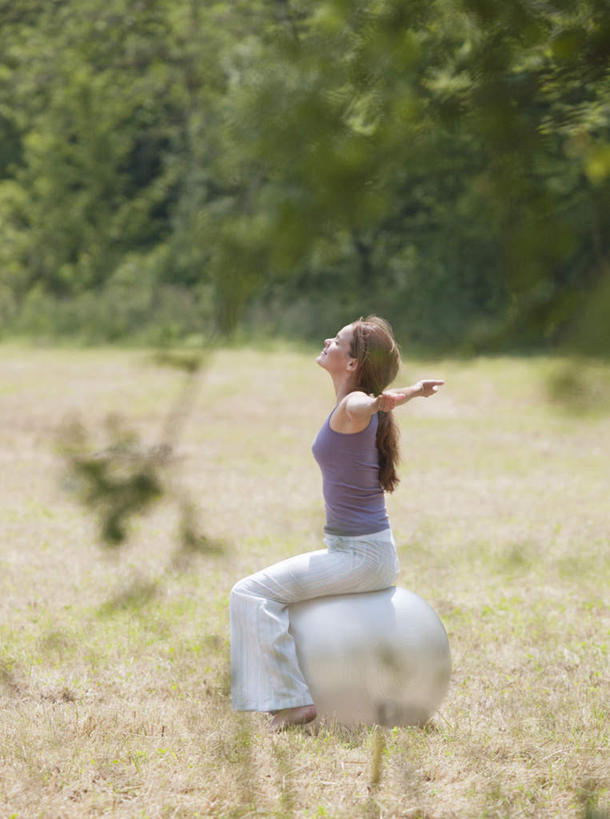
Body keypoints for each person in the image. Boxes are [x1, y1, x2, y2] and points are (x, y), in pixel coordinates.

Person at [229, 315, 444, 731]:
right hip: (360, 551)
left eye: (339, 340)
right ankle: (284, 696)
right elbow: (367, 403)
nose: (328, 339)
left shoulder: (354, 406)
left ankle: (291, 702)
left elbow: (363, 404)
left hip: (361, 557)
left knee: (249, 593)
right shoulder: (354, 405)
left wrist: (392, 398)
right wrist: (399, 396)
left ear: (352, 364)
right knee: (265, 594)